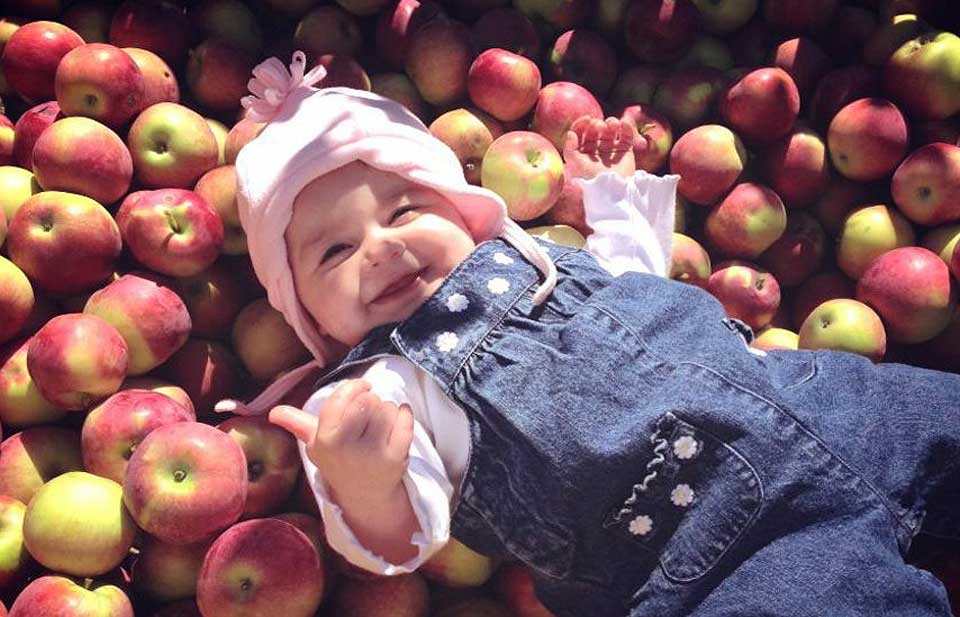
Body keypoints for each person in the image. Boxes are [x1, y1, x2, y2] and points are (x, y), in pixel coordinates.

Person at [221, 52, 960, 617]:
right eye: (334, 252)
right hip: (720, 552)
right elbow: (399, 534)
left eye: (405, 210)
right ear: (306, 312)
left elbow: (629, 280)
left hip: (835, 402)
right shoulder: (379, 391)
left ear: (464, 208)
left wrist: (611, 196)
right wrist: (365, 483)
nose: (380, 248)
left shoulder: (534, 259)